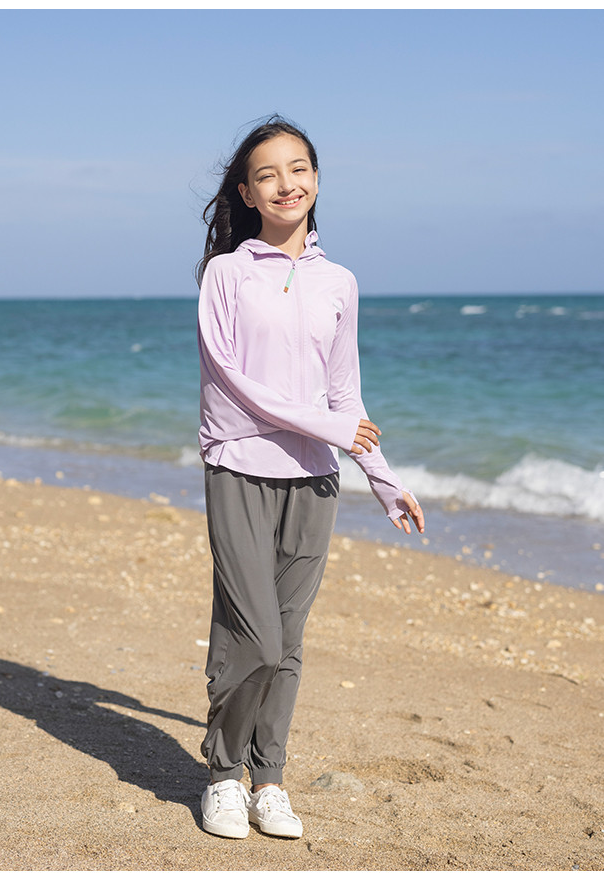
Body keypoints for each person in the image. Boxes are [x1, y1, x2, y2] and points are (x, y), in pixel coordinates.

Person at [196, 115, 424, 840]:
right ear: (247, 193)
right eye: (267, 174)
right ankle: (223, 773)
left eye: (298, 169)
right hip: (239, 465)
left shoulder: (339, 283)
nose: (285, 184)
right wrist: (326, 425)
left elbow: (345, 393)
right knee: (253, 633)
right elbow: (231, 383)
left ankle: (268, 780)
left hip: (315, 479)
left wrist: (383, 480)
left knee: (288, 640)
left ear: (317, 180)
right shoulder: (226, 274)